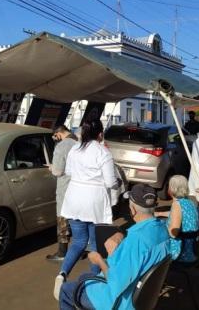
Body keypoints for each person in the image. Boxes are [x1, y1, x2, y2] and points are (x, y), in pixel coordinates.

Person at [58, 184, 170, 310]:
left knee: (65, 290)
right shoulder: (163, 229)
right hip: (142, 296)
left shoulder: (136, 241)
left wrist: (99, 260)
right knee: (84, 277)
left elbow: (116, 284)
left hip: (118, 302)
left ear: (133, 210)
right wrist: (122, 235)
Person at [54, 119, 118, 300]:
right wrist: (118, 182)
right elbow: (110, 182)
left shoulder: (75, 149)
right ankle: (94, 281)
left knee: (78, 241)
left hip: (74, 199)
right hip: (94, 203)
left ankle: (62, 274)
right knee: (96, 244)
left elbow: (69, 172)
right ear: (100, 134)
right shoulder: (103, 152)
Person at [46, 125, 78, 262]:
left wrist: (52, 168)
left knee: (63, 219)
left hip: (65, 188)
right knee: (77, 219)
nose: (55, 139)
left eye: (55, 137)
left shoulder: (62, 146)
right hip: (79, 187)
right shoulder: (79, 142)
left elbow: (58, 171)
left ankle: (62, 252)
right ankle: (79, 249)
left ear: (58, 133)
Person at [155, 175, 199, 263]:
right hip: (191, 249)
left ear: (171, 189)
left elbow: (173, 234)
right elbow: (180, 215)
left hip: (179, 252)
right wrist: (160, 213)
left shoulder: (176, 205)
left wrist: (160, 227)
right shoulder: (189, 202)